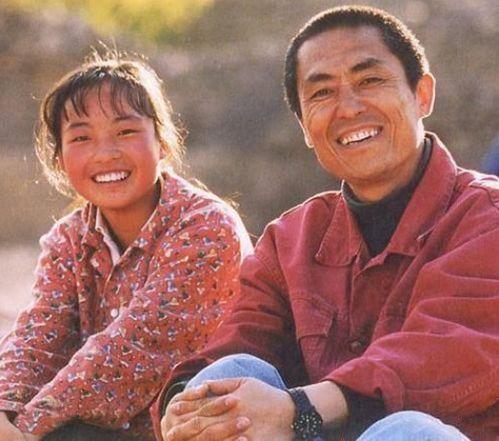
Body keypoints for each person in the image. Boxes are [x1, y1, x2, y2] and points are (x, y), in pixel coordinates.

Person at [153, 5, 499, 441]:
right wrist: (184, 406)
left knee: (409, 430)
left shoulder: (487, 216)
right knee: (227, 375)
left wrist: (299, 410)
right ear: (303, 126)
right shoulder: (291, 239)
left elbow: (445, 354)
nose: (348, 108)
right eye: (321, 93)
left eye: (369, 80)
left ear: (422, 95)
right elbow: (242, 338)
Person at [0, 50, 252, 441]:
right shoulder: (69, 239)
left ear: (162, 143)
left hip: (202, 424)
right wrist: (4, 410)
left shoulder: (207, 228)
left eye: (126, 132)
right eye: (81, 137)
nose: (105, 153)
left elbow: (134, 350)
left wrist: (27, 430)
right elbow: (39, 339)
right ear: (60, 159)